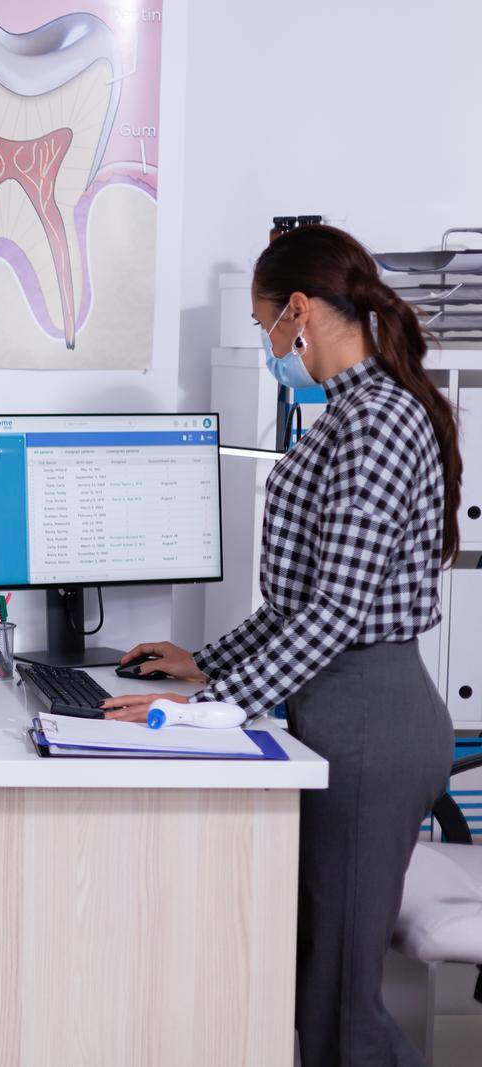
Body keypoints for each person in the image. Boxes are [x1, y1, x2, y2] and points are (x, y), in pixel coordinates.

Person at [103, 224, 457, 1067]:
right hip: (333, 711)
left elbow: (337, 612)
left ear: (299, 312)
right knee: (307, 991)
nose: (269, 345)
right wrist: (205, 664)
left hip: (374, 722)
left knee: (342, 1009)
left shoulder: (377, 422)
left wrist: (206, 711)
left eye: (266, 324)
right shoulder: (342, 416)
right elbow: (298, 602)